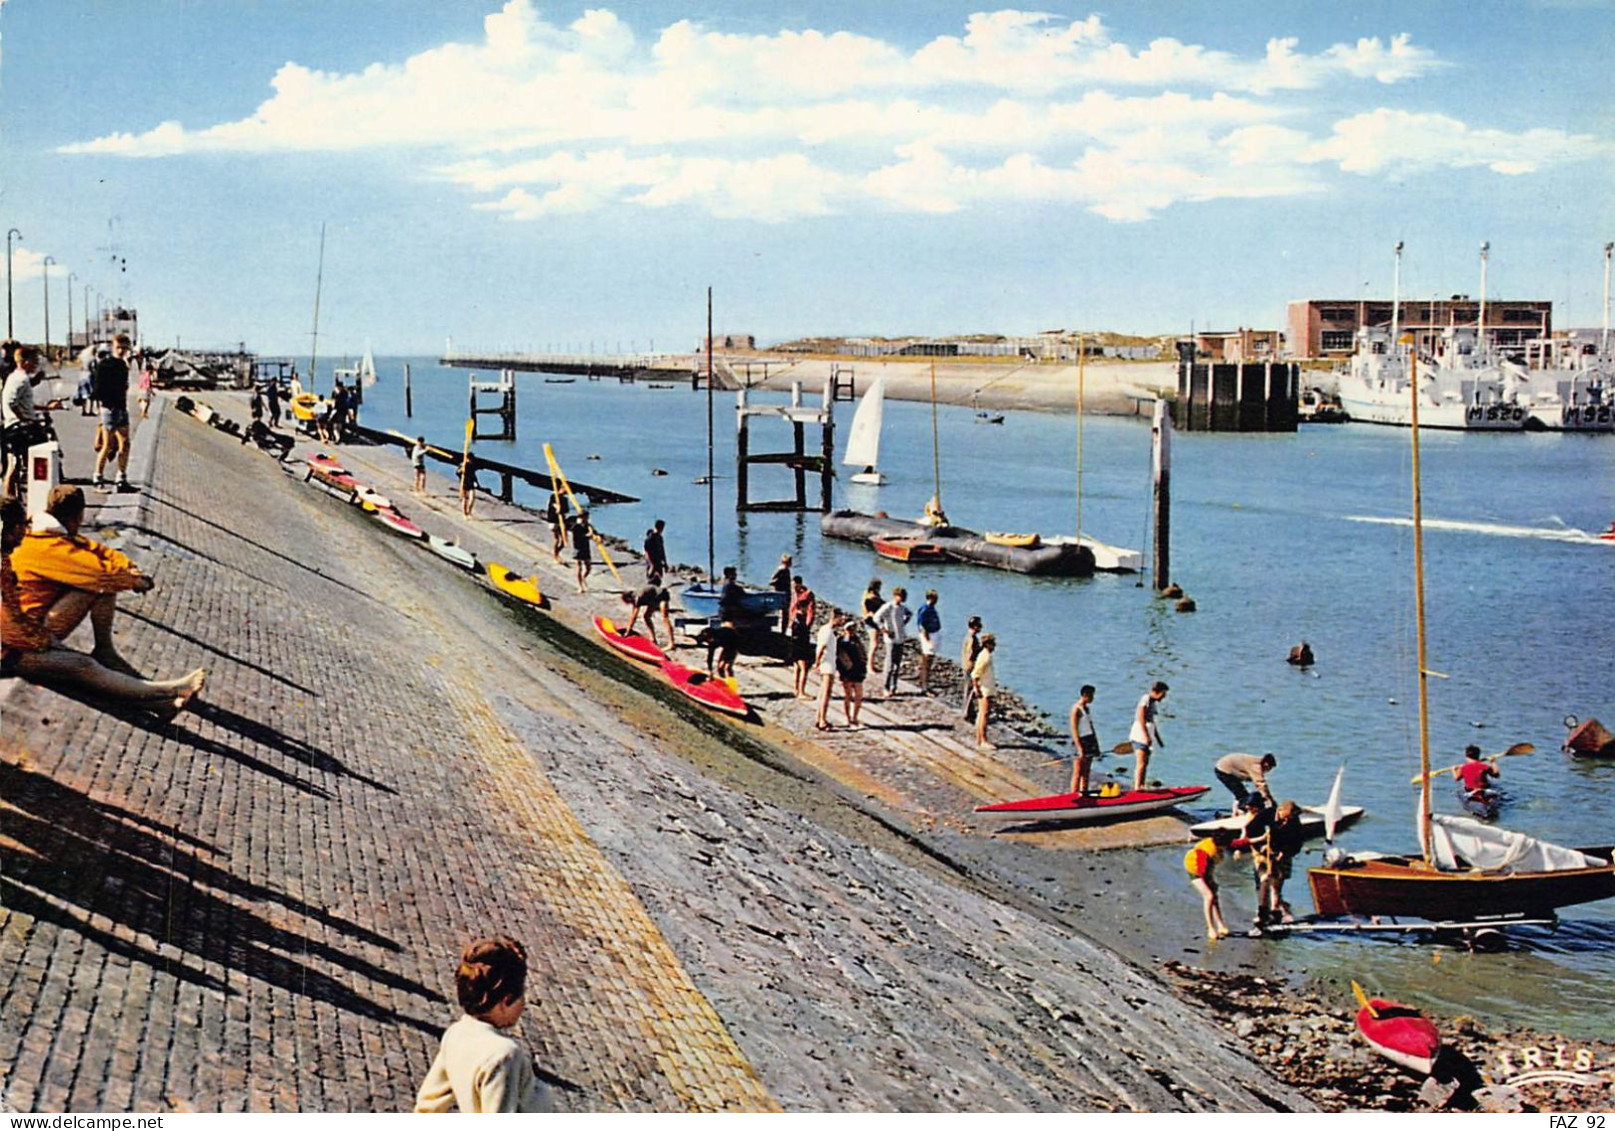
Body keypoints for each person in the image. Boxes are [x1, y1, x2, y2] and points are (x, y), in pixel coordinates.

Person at [2, 496, 205, 716]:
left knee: (79, 664)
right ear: (11, 530)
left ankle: (161, 704)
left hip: (19, 635)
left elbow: (99, 555)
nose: (25, 532)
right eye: (21, 527)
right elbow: (10, 624)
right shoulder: (26, 553)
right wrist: (46, 642)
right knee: (81, 666)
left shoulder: (17, 552)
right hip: (10, 652)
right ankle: (171, 689)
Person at [8, 485, 155, 676]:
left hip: (21, 623)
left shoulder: (44, 531)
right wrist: (136, 581)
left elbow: (97, 549)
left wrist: (128, 565)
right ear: (78, 517)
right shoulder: (51, 546)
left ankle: (105, 650)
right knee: (98, 586)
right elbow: (101, 574)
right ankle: (105, 651)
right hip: (29, 633)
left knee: (100, 580)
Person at [415, 935, 553, 1113]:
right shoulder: (503, 1056)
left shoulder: (455, 1034)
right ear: (506, 1000)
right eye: (522, 995)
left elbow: (428, 1105)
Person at [3, 346, 59, 496]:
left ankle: (13, 500)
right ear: (25, 361)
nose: (36, 364)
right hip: (20, 428)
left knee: (15, 465)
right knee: (29, 464)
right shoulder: (21, 379)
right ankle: (29, 498)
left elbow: (24, 403)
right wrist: (25, 419)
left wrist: (46, 408)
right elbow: (11, 403)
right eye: (34, 360)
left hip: (17, 425)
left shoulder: (17, 377)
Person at [91, 334, 136, 491]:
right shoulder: (106, 364)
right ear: (113, 346)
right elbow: (98, 388)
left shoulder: (123, 365)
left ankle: (121, 478)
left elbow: (124, 387)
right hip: (110, 408)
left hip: (121, 407)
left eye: (125, 348)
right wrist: (103, 406)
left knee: (125, 443)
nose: (122, 350)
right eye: (119, 347)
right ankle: (97, 477)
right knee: (107, 445)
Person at [1184, 828, 1236, 941]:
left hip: (1207, 869)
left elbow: (1238, 843)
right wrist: (1209, 882)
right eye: (1225, 846)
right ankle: (1211, 928)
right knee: (1209, 896)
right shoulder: (1205, 852)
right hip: (1195, 870)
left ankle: (1221, 924)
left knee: (1214, 896)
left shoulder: (1220, 845)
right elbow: (1202, 870)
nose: (1226, 848)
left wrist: (1259, 838)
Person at [1129, 681, 1168, 792]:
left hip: (1147, 735)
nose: (1163, 697)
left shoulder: (1153, 703)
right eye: (1163, 694)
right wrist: (1146, 736)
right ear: (1157, 692)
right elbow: (1141, 717)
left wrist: (1158, 738)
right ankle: (1137, 786)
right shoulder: (1146, 699)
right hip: (1140, 735)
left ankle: (1141, 785)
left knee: (1145, 762)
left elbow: (1152, 722)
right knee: (1141, 762)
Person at [873, 585, 911, 699]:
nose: (900, 599)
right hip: (890, 639)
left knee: (897, 664)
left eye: (902, 597)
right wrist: (885, 630)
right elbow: (876, 618)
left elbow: (909, 614)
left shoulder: (902, 608)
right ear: (895, 596)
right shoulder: (888, 606)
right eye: (899, 596)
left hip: (900, 638)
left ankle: (894, 686)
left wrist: (904, 623)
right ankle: (886, 686)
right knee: (889, 663)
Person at [1068, 684, 1100, 794]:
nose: (1093, 698)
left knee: (1086, 771)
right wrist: (1079, 747)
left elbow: (1091, 726)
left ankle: (1084, 792)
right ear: (1085, 695)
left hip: (1089, 739)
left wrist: (1096, 744)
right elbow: (1074, 729)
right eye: (1091, 696)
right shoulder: (1076, 709)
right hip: (1080, 740)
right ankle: (1073, 794)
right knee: (1078, 772)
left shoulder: (1087, 709)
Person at [836, 618, 868, 727]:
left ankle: (855, 717)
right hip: (847, 671)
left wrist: (864, 668)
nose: (851, 631)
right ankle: (847, 717)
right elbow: (839, 657)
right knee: (848, 695)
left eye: (852, 628)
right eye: (849, 629)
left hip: (858, 670)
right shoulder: (841, 641)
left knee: (858, 695)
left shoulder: (857, 641)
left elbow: (862, 655)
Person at [787, 575, 815, 698]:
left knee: (796, 667)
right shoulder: (800, 621)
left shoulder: (806, 594)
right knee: (803, 668)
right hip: (800, 644)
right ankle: (801, 692)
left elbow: (810, 613)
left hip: (794, 643)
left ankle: (796, 690)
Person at [621, 578, 672, 645]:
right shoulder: (635, 596)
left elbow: (634, 617)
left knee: (665, 618)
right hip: (654, 598)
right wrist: (628, 630)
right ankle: (653, 638)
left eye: (627, 602)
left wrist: (627, 632)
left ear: (628, 598)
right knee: (646, 616)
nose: (628, 604)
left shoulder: (637, 597)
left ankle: (671, 643)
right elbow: (633, 614)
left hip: (663, 595)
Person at [811, 615, 839, 730]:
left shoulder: (824, 629)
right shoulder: (828, 632)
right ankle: (822, 720)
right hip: (827, 665)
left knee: (822, 693)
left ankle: (819, 717)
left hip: (828, 664)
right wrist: (816, 663)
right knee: (826, 694)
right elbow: (822, 648)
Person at [971, 633, 998, 750]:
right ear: (987, 644)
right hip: (984, 689)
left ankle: (979, 738)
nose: (994, 646)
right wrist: (976, 688)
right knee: (984, 714)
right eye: (992, 644)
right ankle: (983, 740)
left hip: (986, 687)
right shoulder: (985, 657)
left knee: (981, 714)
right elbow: (975, 674)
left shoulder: (985, 655)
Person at [914, 589, 941, 694]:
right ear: (930, 598)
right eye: (935, 598)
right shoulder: (925, 609)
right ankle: (924, 686)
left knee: (930, 660)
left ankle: (926, 683)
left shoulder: (932, 608)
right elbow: (921, 625)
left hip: (934, 634)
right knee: (927, 660)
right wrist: (927, 639)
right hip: (929, 635)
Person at [959, 615, 984, 721]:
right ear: (974, 626)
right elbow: (971, 654)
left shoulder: (969, 637)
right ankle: (967, 712)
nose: (980, 628)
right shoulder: (972, 639)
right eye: (979, 626)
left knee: (968, 689)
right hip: (970, 666)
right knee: (970, 690)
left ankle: (969, 711)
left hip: (967, 665)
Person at [860, 578, 884, 672]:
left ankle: (871, 665)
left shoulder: (867, 595)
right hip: (871, 622)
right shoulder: (872, 598)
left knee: (874, 643)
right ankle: (869, 666)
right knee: (874, 644)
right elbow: (870, 611)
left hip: (871, 621)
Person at [568, 508, 594, 593]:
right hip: (578, 548)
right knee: (579, 568)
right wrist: (587, 535)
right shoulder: (576, 526)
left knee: (588, 567)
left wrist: (593, 534)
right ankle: (580, 586)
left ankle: (584, 578)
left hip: (586, 548)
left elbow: (593, 533)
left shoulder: (587, 525)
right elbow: (578, 536)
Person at [770, 553, 792, 632]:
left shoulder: (785, 569)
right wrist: (779, 587)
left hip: (784, 593)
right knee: (784, 613)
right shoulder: (782, 569)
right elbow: (772, 581)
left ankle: (783, 630)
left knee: (784, 613)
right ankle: (783, 631)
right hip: (783, 594)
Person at [544, 492, 569, 560]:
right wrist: (556, 507)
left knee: (563, 541)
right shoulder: (554, 496)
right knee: (557, 539)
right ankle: (555, 554)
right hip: (553, 520)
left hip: (561, 521)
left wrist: (561, 510)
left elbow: (566, 510)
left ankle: (556, 552)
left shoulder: (565, 499)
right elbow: (552, 504)